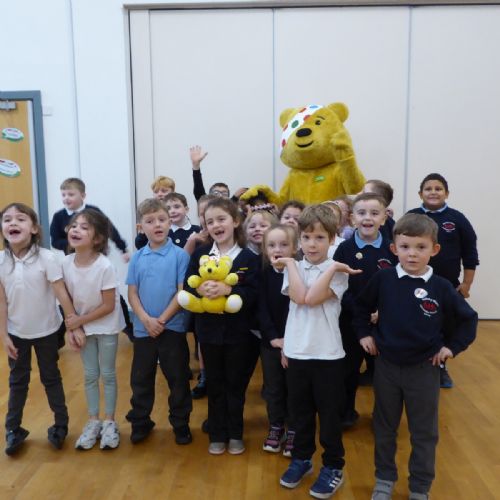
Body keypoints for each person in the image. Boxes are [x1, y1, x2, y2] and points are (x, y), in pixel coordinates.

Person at [354, 213, 477, 500]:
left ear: (434, 249)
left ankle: (420, 487)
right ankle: (384, 479)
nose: (412, 254)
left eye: (421, 247)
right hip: (386, 367)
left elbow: (468, 319)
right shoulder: (383, 279)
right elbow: (360, 308)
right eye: (405, 247)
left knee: (424, 432)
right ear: (394, 248)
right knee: (384, 427)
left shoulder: (442, 287)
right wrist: (364, 334)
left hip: (424, 370)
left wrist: (451, 348)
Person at [278, 205, 360, 499]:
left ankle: (333, 466)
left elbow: (310, 298)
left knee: (329, 416)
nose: (312, 244)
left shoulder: (339, 272)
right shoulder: (294, 268)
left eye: (320, 238)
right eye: (306, 237)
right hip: (297, 353)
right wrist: (292, 263)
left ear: (332, 239)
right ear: (299, 239)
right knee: (300, 414)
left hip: (327, 356)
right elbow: (297, 296)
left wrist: (332, 267)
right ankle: (302, 459)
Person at [0, 203, 82, 456]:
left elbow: (61, 293)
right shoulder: (1, 261)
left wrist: (73, 325)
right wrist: (3, 335)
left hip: (47, 331)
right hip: (17, 333)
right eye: (7, 220)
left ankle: (60, 425)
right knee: (18, 381)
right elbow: (1, 302)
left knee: (51, 377)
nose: (13, 223)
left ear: (34, 228)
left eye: (20, 219)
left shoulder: (47, 258)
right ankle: (13, 429)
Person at [183, 197, 259, 455]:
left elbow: (254, 293)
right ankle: (217, 433)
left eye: (221, 219)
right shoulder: (201, 254)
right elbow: (189, 284)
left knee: (235, 384)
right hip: (208, 332)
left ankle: (235, 433)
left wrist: (229, 290)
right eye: (210, 221)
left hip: (239, 334)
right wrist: (200, 289)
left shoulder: (249, 257)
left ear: (235, 221)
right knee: (214, 383)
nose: (216, 225)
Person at [126, 198, 192, 445]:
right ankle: (141, 421)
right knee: (140, 379)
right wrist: (146, 320)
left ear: (169, 222)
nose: (157, 225)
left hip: (171, 328)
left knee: (177, 379)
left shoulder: (180, 256)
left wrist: (161, 321)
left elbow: (181, 293)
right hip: (144, 330)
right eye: (150, 221)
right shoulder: (137, 257)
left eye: (162, 220)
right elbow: (132, 293)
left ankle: (180, 423)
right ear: (141, 227)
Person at [408, 173, 479, 388]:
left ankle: (440, 366)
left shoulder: (457, 219)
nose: (433, 192)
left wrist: (466, 284)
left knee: (445, 326)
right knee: (415, 323)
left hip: (446, 285)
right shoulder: (411, 217)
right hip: (413, 283)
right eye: (428, 188)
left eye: (438, 189)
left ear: (446, 193)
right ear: (420, 193)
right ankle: (411, 364)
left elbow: (470, 253)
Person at [62, 208, 125, 450]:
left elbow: (109, 306)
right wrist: (73, 328)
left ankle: (109, 422)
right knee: (90, 375)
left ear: (97, 238)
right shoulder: (65, 263)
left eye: (84, 227)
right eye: (74, 225)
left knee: (107, 374)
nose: (76, 230)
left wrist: (80, 321)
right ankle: (93, 421)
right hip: (82, 326)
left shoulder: (104, 266)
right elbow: (65, 299)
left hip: (106, 326)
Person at [333, 193, 398, 428]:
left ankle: (382, 418)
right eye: (361, 213)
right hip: (351, 322)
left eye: (374, 213)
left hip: (385, 322)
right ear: (352, 218)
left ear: (384, 218)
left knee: (384, 375)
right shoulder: (344, 249)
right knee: (347, 371)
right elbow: (339, 287)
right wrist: (362, 312)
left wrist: (382, 310)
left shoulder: (393, 249)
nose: (367, 218)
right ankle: (345, 414)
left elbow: (398, 286)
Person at [49, 177, 132, 343]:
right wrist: (73, 244)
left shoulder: (94, 212)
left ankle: (129, 329)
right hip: (74, 266)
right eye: (63, 195)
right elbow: (55, 240)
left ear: (83, 195)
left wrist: (122, 248)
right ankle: (59, 338)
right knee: (69, 299)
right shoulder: (59, 216)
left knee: (112, 296)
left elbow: (110, 229)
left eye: (71, 194)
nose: (66, 198)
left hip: (93, 264)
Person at [259, 224, 297, 456]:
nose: (278, 249)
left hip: (296, 344)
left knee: (294, 388)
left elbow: (298, 310)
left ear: (294, 248)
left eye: (284, 244)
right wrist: (273, 337)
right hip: (271, 343)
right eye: (272, 245)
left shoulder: (299, 274)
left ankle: (293, 429)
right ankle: (276, 426)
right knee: (273, 388)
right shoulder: (263, 274)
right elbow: (260, 308)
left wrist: (289, 342)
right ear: (265, 249)